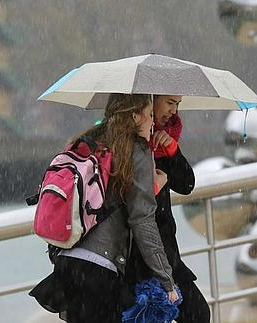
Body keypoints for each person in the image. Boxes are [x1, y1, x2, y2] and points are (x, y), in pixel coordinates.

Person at [29, 93, 178, 322]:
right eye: (149, 115)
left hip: (67, 263)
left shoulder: (88, 140)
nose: (152, 122)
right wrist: (166, 278)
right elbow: (142, 221)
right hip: (99, 268)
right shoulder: (136, 150)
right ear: (134, 116)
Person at [125, 95, 211, 322]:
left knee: (197, 314)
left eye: (178, 104)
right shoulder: (128, 145)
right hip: (136, 255)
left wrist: (172, 150)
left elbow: (186, 184)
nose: (174, 111)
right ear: (151, 102)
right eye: (170, 103)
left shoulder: (161, 145)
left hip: (165, 252)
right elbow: (127, 201)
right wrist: (152, 187)